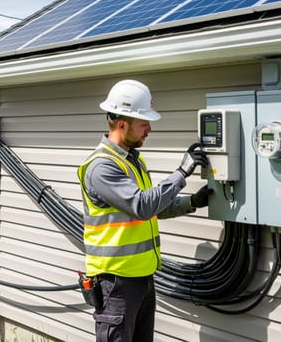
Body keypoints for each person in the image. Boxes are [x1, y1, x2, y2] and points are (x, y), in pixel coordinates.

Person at [77, 79, 212, 342]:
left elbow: (153, 208)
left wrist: (192, 202)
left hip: (141, 279)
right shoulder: (102, 167)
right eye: (143, 123)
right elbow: (142, 206)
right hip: (115, 283)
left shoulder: (132, 162)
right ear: (121, 123)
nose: (149, 129)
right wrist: (182, 171)